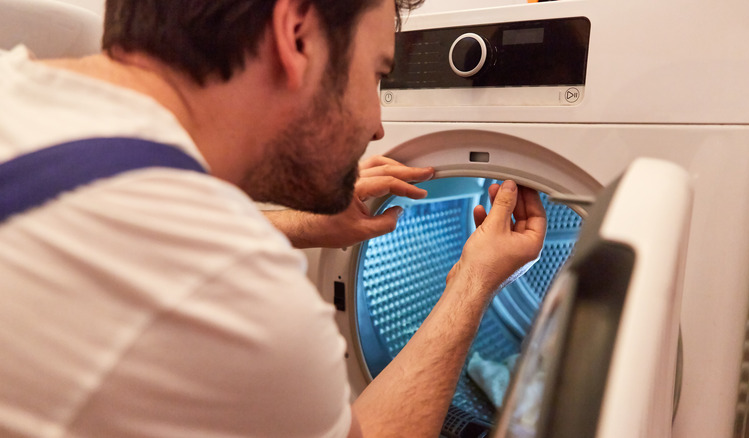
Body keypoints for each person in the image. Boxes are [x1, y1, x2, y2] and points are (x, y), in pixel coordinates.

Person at [0, 0, 547, 437]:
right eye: (378, 73)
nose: (378, 126)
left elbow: (120, 236)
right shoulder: (233, 287)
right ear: (298, 35)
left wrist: (303, 224)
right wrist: (473, 281)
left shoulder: (21, 93)